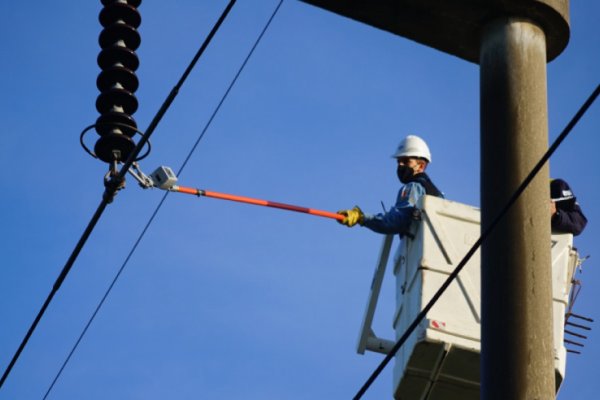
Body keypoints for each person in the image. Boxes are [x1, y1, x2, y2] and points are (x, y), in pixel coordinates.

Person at [337, 135, 443, 236]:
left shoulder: (412, 187)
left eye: (406, 161)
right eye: (398, 162)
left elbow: (396, 222)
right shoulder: (439, 195)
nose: (400, 165)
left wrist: (362, 217)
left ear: (420, 166)